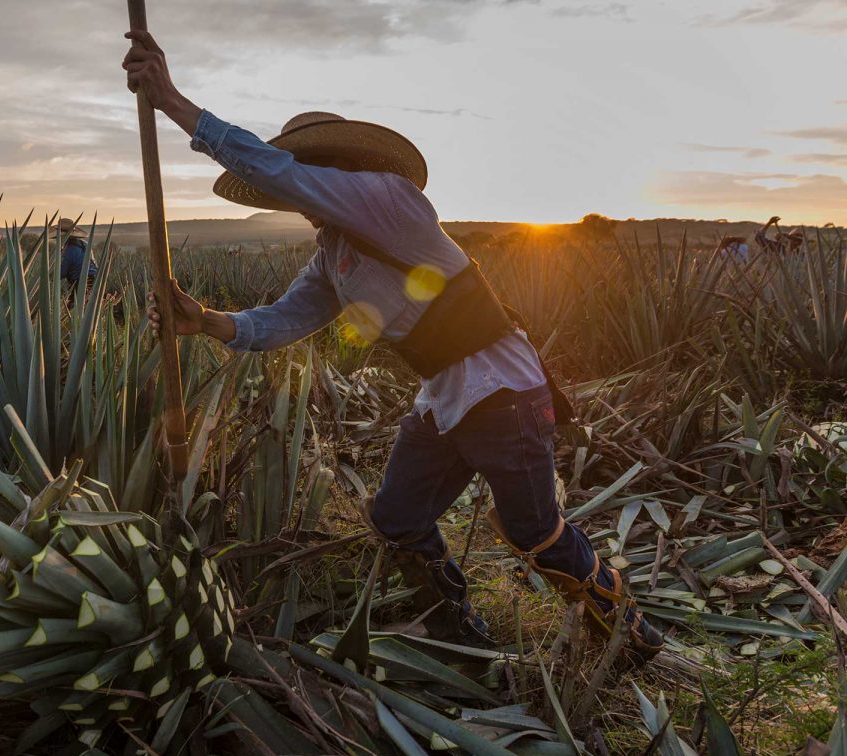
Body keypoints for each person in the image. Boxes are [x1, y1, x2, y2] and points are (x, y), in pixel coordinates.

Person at [123, 31, 664, 657]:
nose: (299, 197)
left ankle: (630, 636)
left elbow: (279, 172)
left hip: (502, 393)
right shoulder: (335, 252)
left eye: (309, 177)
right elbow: (285, 320)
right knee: (398, 518)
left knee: (534, 532)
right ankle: (457, 632)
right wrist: (206, 321)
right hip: (444, 400)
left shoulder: (388, 200)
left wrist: (172, 101)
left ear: (338, 169)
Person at [53, 218, 98, 287]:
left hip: (80, 282)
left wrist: (50, 276)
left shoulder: (68, 250)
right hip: (96, 279)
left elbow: (62, 273)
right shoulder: (85, 244)